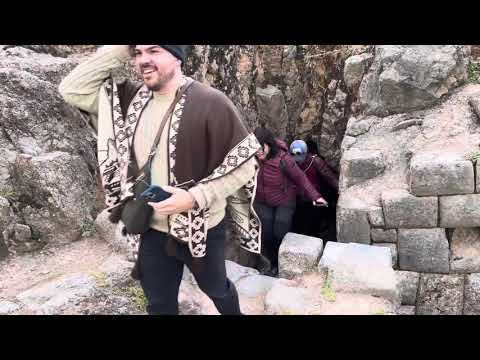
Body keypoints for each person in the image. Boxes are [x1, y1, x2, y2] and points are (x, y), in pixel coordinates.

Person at [59, 45, 263, 315]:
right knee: (159, 303)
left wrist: (194, 197)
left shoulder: (211, 102)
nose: (144, 60)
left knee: (217, 289)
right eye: (138, 52)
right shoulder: (127, 100)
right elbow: (72, 89)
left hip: (201, 227)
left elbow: (245, 165)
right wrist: (122, 48)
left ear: (177, 57)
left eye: (154, 50)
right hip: (149, 228)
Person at [253, 127, 327, 276]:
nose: (258, 152)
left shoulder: (284, 159)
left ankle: (284, 264)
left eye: (261, 148)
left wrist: (316, 196)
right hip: (262, 201)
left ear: (268, 144)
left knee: (280, 232)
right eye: (255, 149)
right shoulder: (251, 158)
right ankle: (272, 264)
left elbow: (300, 178)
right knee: (266, 235)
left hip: (284, 200)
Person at [290, 139, 339, 240]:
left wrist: (339, 188)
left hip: (314, 198)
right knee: (299, 224)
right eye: (294, 155)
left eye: (299, 154)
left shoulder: (315, 161)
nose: (297, 158)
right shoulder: (289, 163)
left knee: (313, 225)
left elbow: (329, 176)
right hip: (298, 199)